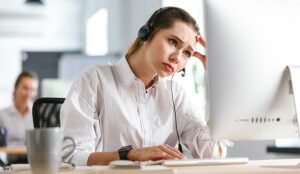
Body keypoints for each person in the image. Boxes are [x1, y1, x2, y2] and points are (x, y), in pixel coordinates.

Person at [60, 7, 227, 166]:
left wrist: (217, 81)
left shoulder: (175, 94)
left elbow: (212, 154)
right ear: (146, 34)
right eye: (173, 42)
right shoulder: (95, 81)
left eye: (187, 53)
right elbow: (71, 157)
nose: (177, 57)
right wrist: (129, 155)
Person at [0, 70, 38, 163]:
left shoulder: (38, 114)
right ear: (16, 88)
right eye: (25, 88)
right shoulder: (2, 115)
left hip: (35, 162)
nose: (28, 93)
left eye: (32, 89)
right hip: (11, 163)